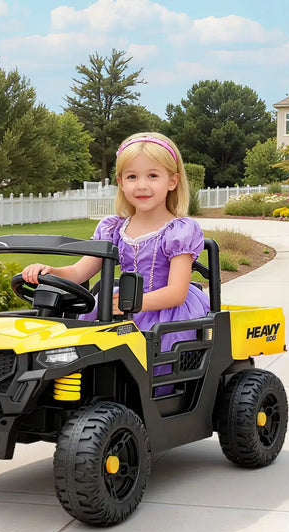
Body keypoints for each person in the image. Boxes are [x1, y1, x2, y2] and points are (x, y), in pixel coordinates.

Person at [22, 132, 211, 385]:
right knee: (83, 344)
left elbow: (176, 292)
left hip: (165, 310)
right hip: (119, 306)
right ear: (121, 183)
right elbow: (80, 272)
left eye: (153, 176)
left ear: (173, 181)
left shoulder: (179, 230)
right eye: (132, 177)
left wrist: (131, 304)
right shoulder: (113, 229)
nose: (141, 185)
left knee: (156, 352)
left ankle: (151, 401)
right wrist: (51, 271)